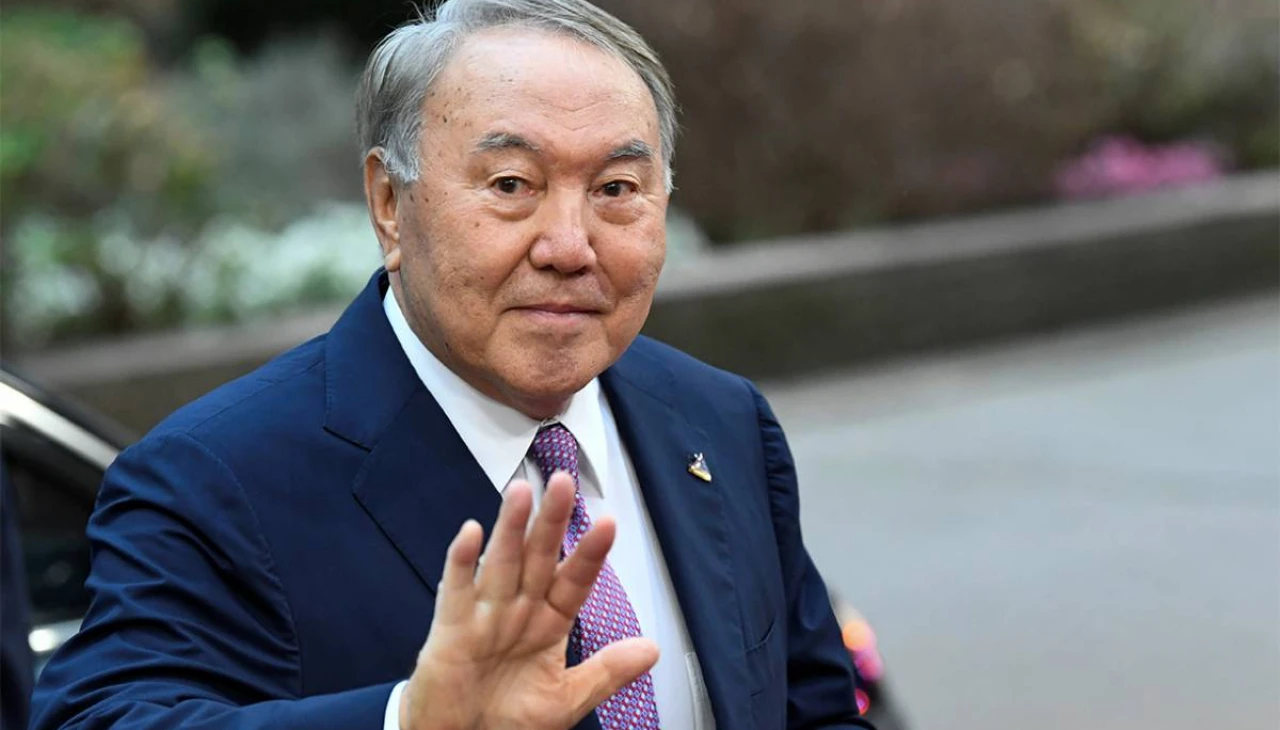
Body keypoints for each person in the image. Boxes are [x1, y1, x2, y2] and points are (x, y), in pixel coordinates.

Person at [30, 1, 871, 728]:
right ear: (388, 205)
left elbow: (815, 710)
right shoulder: (214, 478)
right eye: (511, 184)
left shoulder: (720, 420)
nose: (569, 246)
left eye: (616, 189)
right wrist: (410, 721)